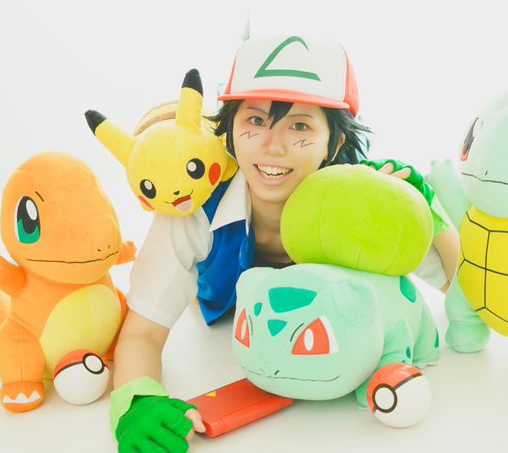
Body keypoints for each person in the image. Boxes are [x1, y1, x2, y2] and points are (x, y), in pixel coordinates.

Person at [110, 35, 459, 453]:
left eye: (299, 126)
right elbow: (143, 332)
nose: (272, 146)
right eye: (255, 120)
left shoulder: (364, 202)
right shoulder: (195, 204)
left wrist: (428, 211)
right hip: (219, 340)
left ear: (335, 143)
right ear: (230, 129)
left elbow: (460, 290)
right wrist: (136, 401)